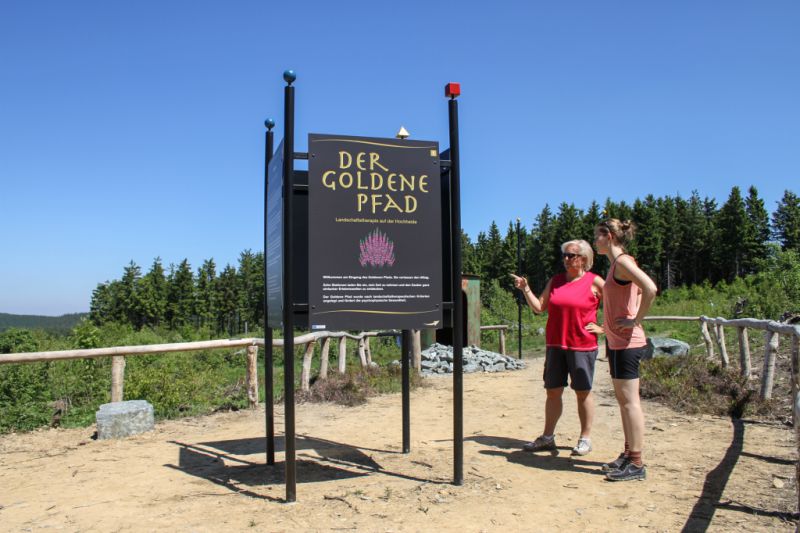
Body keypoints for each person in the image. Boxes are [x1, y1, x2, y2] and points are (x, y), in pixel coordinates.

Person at [511, 239, 604, 456]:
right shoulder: (556, 281)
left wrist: (605, 328)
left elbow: (615, 304)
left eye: (570, 255)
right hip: (555, 344)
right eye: (564, 255)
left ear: (583, 259)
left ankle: (585, 438)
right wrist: (526, 289)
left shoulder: (595, 281)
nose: (566, 259)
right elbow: (539, 308)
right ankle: (547, 437)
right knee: (553, 391)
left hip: (582, 345)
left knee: (583, 392)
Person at [593, 219, 657, 482]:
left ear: (608, 236)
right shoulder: (616, 265)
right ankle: (629, 453)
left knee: (630, 402)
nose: (594, 241)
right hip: (617, 341)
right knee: (623, 402)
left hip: (627, 342)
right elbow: (640, 291)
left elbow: (650, 288)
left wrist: (635, 319)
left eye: (597, 236)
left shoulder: (621, 263)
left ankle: (637, 462)